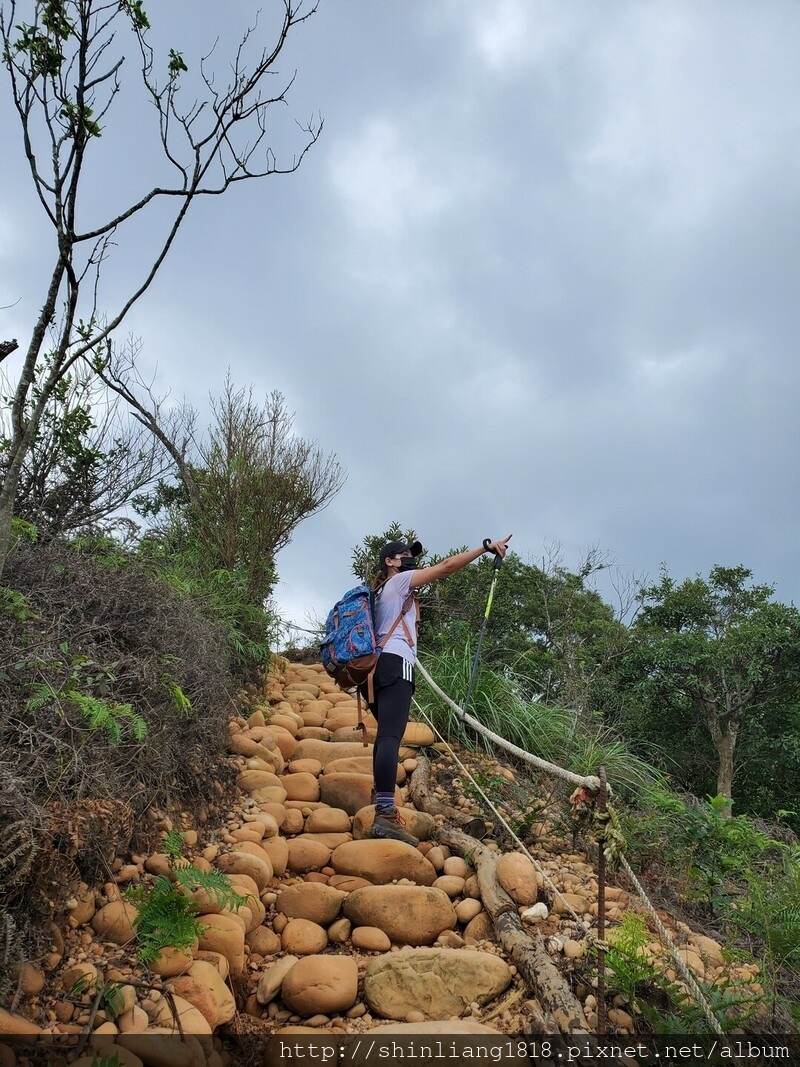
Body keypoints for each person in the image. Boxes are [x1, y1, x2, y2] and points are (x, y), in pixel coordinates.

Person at [365, 533, 512, 844]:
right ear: (390, 562)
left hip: (374, 670)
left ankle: (380, 801)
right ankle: (385, 815)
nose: (409, 558)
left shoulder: (380, 592)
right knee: (392, 736)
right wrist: (484, 549)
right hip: (395, 664)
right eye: (403, 554)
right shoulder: (400, 581)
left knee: (386, 736)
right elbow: (446, 567)